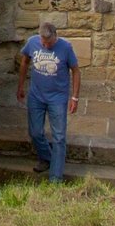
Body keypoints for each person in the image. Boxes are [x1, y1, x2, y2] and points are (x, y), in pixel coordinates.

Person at [18, 18, 79, 182]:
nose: (45, 46)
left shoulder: (66, 47)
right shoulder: (32, 43)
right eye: (43, 43)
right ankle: (48, 157)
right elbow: (24, 62)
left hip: (57, 98)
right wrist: (21, 86)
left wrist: (74, 97)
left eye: (49, 44)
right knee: (35, 132)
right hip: (36, 96)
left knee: (59, 136)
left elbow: (75, 70)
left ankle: (55, 177)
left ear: (55, 37)